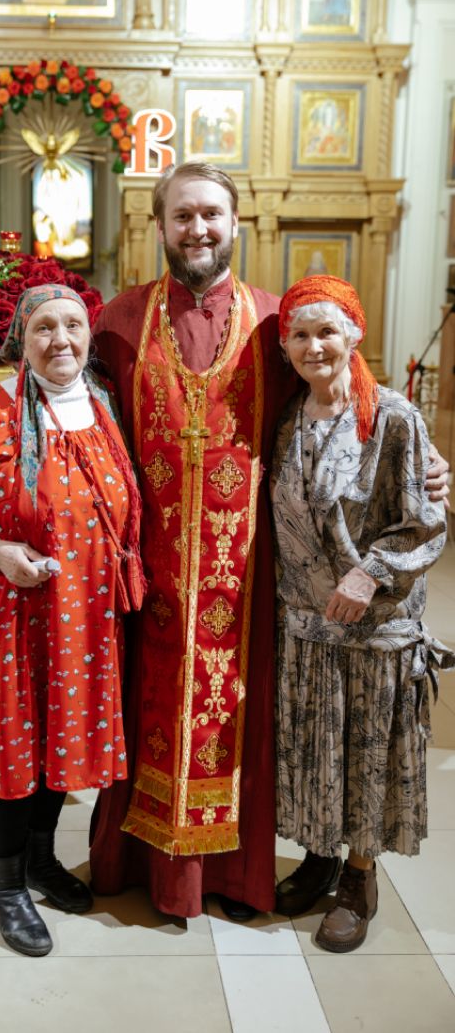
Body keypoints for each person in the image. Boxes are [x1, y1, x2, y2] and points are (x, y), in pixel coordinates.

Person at [88, 161, 450, 922]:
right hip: (154, 576)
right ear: (159, 224)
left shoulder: (274, 322)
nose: (198, 229)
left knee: (291, 724)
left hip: (253, 581)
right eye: (183, 215)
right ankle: (147, 865)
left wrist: (426, 466)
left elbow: (348, 398)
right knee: (167, 712)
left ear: (236, 223)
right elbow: (81, 426)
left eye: (211, 214)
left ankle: (246, 872)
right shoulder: (117, 322)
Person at [0, 284, 144, 956]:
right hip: (11, 611)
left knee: (61, 736)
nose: (61, 340)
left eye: (73, 324)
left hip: (86, 614)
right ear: (22, 339)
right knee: (16, 741)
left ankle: (43, 859)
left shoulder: (105, 406)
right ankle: (7, 883)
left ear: (89, 335)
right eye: (44, 327)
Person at [271, 275, 454, 951]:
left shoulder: (393, 418)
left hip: (376, 627)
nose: (314, 346)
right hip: (306, 623)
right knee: (317, 750)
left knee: (367, 756)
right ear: (285, 346)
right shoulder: (286, 416)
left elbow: (425, 521)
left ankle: (359, 877)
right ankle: (320, 856)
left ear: (354, 334)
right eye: (300, 334)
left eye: (327, 331)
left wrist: (368, 572)